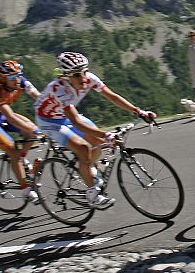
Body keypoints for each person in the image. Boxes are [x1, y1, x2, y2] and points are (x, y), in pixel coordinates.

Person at [34, 52, 156, 209]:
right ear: (66, 77)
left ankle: (86, 168)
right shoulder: (59, 89)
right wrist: (107, 134)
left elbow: (112, 96)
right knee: (84, 148)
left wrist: (139, 111)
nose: (83, 78)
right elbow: (77, 123)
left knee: (99, 143)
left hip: (66, 116)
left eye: (84, 72)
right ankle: (92, 195)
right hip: (48, 121)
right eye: (77, 75)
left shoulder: (89, 78)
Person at [0, 61, 42, 203]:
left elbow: (39, 98)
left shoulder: (20, 81)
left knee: (30, 134)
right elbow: (10, 117)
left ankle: (19, 160)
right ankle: (25, 190)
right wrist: (36, 131)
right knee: (12, 149)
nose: (16, 80)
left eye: (18, 76)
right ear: (3, 78)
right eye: (12, 78)